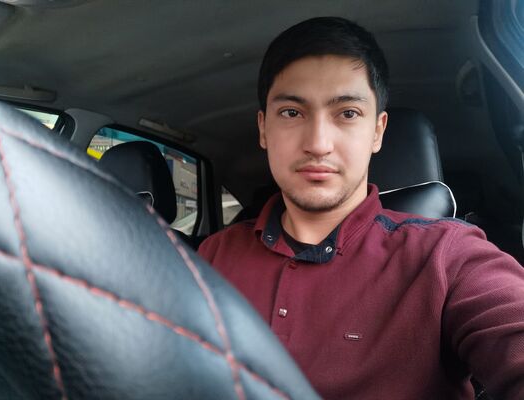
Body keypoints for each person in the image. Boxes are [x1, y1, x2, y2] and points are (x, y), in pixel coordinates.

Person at [198, 17, 524, 399]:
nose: (318, 143)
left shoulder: (445, 256)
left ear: (377, 132)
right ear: (263, 129)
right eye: (291, 112)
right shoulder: (213, 256)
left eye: (348, 113)